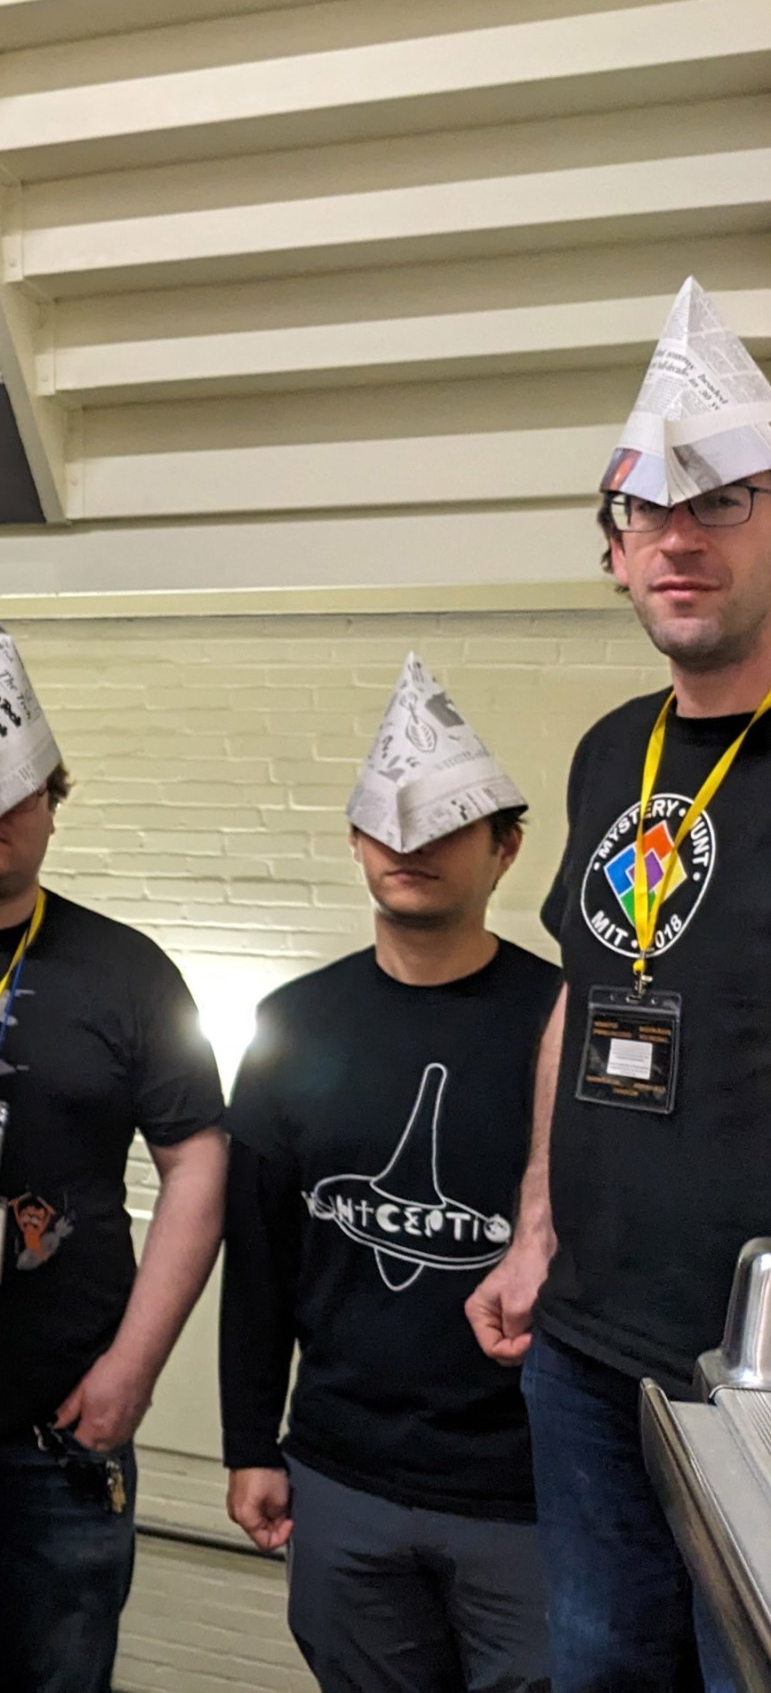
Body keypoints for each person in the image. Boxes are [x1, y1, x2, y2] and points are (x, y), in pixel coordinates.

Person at [466, 277, 771, 1692]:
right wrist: (532, 1226)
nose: (670, 542)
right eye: (637, 515)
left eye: (715, 504)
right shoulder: (606, 751)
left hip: (756, 1382)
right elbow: (586, 997)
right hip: (587, 1343)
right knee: (596, 1668)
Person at [0, 621, 228, 1693]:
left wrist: (134, 1371)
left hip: (59, 1425)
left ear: (52, 806)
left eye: (17, 793)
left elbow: (198, 1164)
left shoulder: (132, 972)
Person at [223, 654, 554, 1693]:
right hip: (341, 1472)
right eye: (389, 824)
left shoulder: (569, 1019)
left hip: (529, 1493)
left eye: (450, 822)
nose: (413, 845)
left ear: (505, 847)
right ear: (358, 839)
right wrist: (248, 1442)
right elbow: (260, 1253)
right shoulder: (291, 1022)